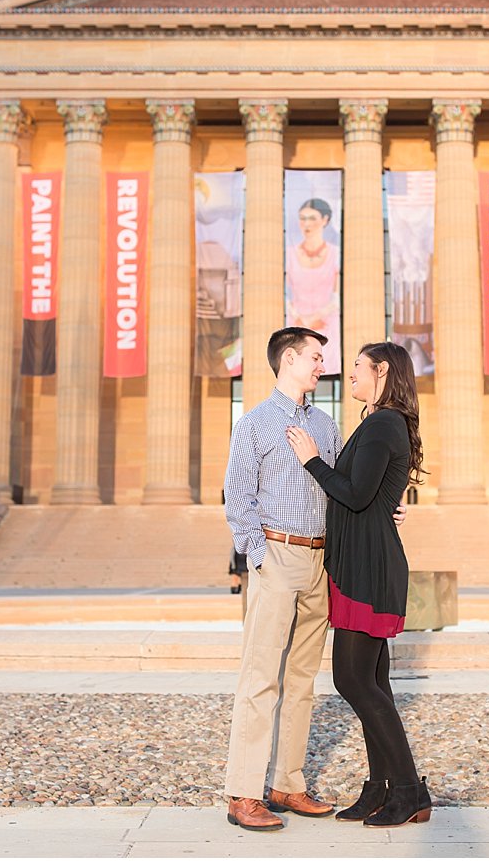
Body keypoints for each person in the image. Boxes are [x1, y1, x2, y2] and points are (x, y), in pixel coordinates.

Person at [285, 341, 433, 829]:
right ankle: (378, 788)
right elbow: (374, 494)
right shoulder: (377, 423)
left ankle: (408, 789)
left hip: (368, 570)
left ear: (382, 370)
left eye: (356, 367)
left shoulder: (383, 422)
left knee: (351, 679)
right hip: (364, 561)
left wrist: (310, 459)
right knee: (375, 682)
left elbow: (354, 492)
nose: (348, 374)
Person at [221, 326, 342, 832]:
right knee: (260, 677)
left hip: (318, 561)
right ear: (289, 360)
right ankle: (243, 792)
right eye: (315, 357)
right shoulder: (254, 424)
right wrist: (258, 554)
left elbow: (341, 487)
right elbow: (237, 493)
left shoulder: (326, 426)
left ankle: (287, 783)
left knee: (302, 680)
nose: (321, 365)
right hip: (277, 554)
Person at [285, 198, 341, 376]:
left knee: (322, 363)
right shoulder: (289, 253)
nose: (306, 224)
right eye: (302, 218)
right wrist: (299, 317)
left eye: (312, 218)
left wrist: (313, 318)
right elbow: (283, 295)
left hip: (326, 324)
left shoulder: (335, 253)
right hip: (296, 325)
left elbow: (337, 296)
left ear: (325, 220)